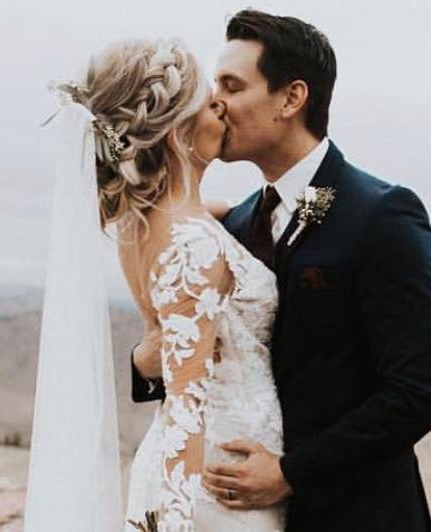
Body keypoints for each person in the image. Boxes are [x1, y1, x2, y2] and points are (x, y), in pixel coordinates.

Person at [132, 10, 431, 531]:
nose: (215, 102)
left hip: (358, 515)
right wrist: (144, 365)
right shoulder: (233, 224)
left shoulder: (380, 214)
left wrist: (292, 472)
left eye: (232, 86)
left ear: (290, 98)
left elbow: (421, 391)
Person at [29, 37, 289, 531]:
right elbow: (188, 409)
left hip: (213, 467)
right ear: (176, 134)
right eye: (210, 105)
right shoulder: (193, 241)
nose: (222, 110)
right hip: (213, 483)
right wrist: (176, 523)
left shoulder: (144, 223)